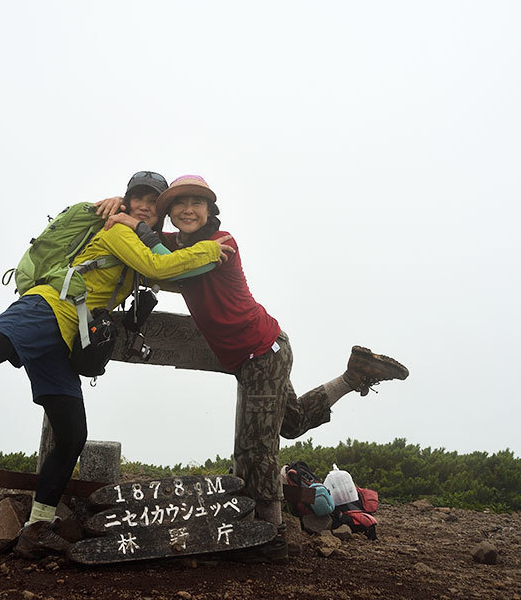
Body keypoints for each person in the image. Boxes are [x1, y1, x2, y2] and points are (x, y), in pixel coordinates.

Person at [0, 172, 232, 556]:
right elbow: (162, 268)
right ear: (126, 202)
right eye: (137, 198)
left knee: (72, 435)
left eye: (154, 203)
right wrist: (212, 250)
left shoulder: (139, 245)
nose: (144, 206)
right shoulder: (119, 232)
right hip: (46, 309)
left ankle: (37, 527)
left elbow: (165, 266)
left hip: (65, 338)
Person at [155, 175, 409, 563]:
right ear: (169, 213)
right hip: (261, 350)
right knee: (289, 424)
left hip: (262, 351)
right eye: (179, 203)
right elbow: (154, 254)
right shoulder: (175, 244)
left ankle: (271, 536)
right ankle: (353, 376)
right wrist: (119, 212)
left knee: (255, 446)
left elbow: (169, 268)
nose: (188, 209)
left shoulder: (221, 244)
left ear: (210, 211)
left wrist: (141, 231)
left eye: (197, 202)